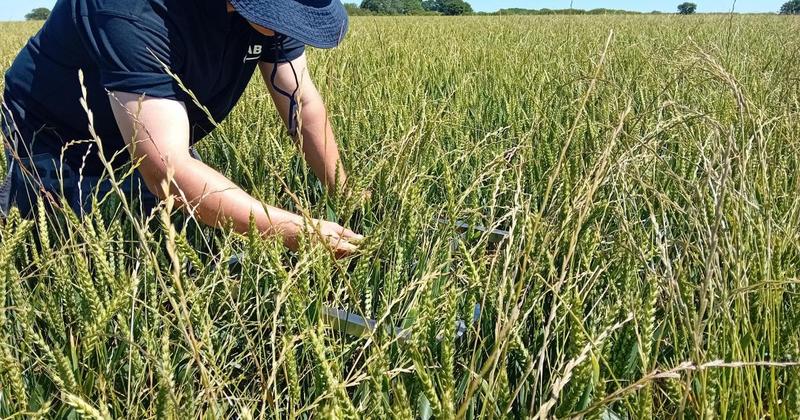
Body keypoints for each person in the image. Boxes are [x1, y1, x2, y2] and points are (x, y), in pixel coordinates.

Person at [0, 0, 363, 256]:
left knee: (180, 247)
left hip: (158, 127)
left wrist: (343, 193)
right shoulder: (132, 9)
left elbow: (303, 104)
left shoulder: (271, 18)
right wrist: (294, 231)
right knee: (49, 249)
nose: (289, 21)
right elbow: (167, 171)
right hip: (54, 130)